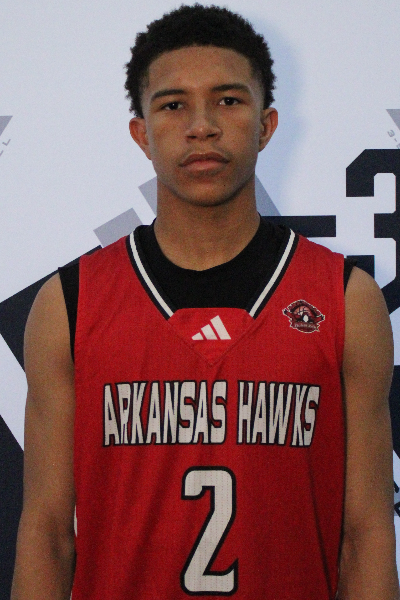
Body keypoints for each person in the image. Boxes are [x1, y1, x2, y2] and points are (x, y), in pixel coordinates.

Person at [11, 4, 399, 599]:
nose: (202, 126)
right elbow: (47, 532)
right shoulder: (70, 304)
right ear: (141, 133)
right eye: (173, 105)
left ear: (266, 125)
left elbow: (367, 532)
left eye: (228, 100)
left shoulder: (346, 300)